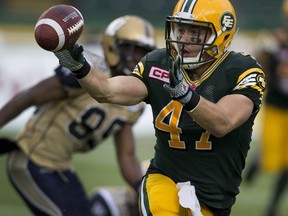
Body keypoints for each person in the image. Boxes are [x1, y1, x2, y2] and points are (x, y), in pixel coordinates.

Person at [52, 0, 266, 215]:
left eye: (195, 33)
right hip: (164, 178)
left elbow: (223, 123)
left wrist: (186, 95)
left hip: (215, 197)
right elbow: (107, 90)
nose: (183, 40)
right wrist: (79, 67)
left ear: (222, 34)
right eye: (180, 30)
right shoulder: (159, 62)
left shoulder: (243, 70)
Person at [0, 15, 156, 216]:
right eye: (131, 50)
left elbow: (126, 156)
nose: (136, 59)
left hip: (61, 167)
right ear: (112, 47)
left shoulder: (133, 99)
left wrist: (140, 190)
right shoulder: (89, 72)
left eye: (142, 53)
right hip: (31, 158)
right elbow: (29, 96)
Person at [244, 1, 288, 215]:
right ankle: (259, 162)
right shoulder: (275, 38)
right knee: (272, 158)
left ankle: (273, 206)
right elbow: (257, 62)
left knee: (287, 163)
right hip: (277, 107)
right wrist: (269, 50)